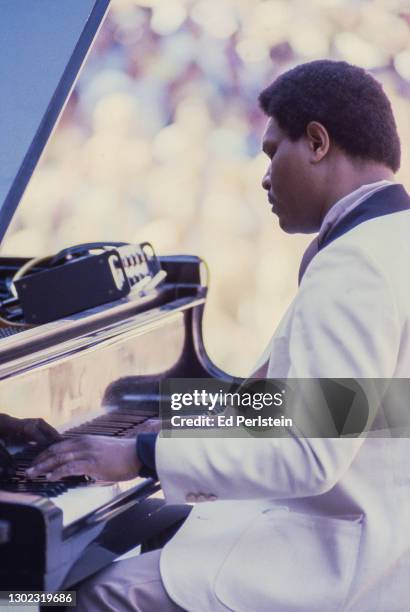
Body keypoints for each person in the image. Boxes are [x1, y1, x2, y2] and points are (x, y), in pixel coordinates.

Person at [27, 60, 410, 611]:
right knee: (161, 534)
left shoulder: (355, 266)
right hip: (377, 536)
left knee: (90, 594)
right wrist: (192, 415)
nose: (264, 175)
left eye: (271, 151)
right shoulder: (389, 240)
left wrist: (140, 454)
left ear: (318, 143)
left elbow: (309, 452)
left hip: (341, 563)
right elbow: (345, 410)